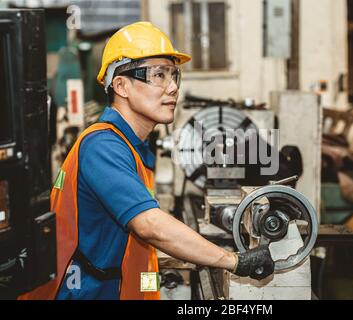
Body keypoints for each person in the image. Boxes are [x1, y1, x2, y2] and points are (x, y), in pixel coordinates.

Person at [19, 22, 273, 300]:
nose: (173, 87)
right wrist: (234, 261)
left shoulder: (131, 145)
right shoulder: (102, 146)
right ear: (121, 85)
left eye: (174, 75)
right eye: (159, 75)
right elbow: (149, 224)